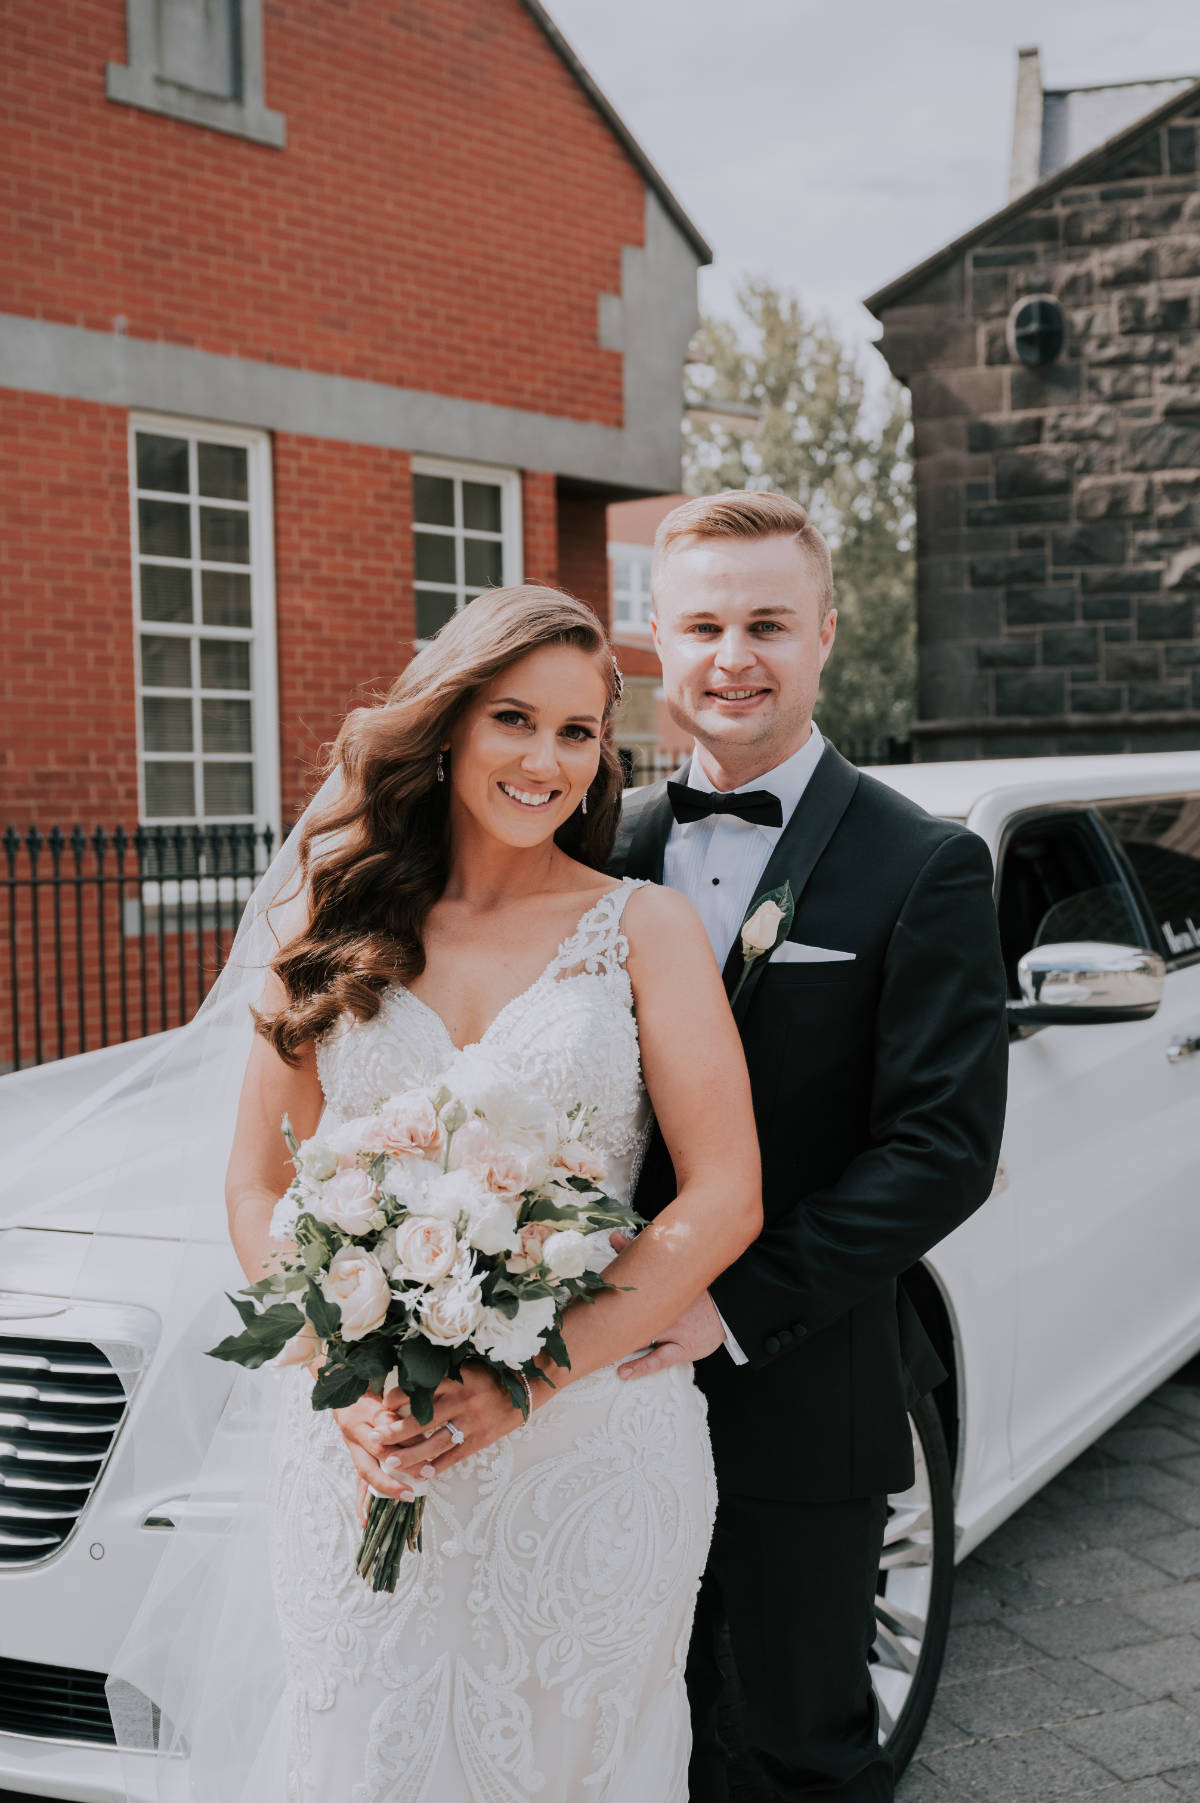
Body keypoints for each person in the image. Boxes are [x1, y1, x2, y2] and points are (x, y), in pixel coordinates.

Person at [224, 584, 762, 1802]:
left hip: (590, 1451)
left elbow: (725, 1192)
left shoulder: (644, 929)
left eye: (579, 733)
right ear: (452, 722)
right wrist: (336, 1381)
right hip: (372, 1451)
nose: (548, 760)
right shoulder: (329, 917)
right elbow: (261, 1187)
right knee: (362, 1752)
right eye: (517, 719)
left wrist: (532, 1378)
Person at [610, 491, 1009, 1802]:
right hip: (595, 1404)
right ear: (656, 642)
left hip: (805, 1390)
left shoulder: (921, 863)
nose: (736, 654)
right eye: (706, 622)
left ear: (826, 633)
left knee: (801, 1749)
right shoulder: (595, 852)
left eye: (768, 622)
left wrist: (723, 1305)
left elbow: (943, 1148)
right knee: (632, 1737)